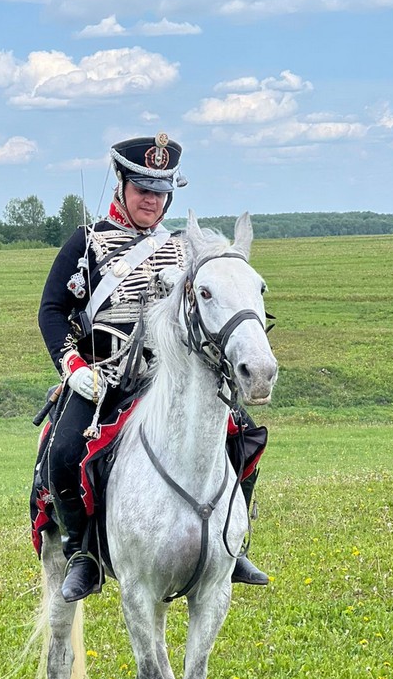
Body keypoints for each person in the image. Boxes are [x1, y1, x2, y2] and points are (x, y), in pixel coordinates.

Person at [38, 133, 269, 603]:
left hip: (174, 380)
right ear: (121, 184)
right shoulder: (86, 243)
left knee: (242, 434)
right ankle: (82, 552)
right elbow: (52, 310)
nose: (153, 200)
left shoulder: (185, 248)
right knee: (62, 454)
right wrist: (73, 365)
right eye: (143, 188)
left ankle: (233, 542)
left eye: (161, 191)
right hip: (104, 382)